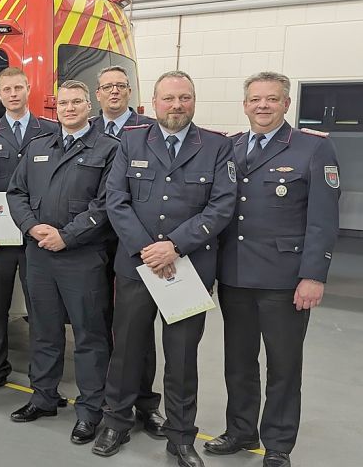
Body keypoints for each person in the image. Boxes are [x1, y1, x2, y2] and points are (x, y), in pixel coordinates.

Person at [93, 71, 236, 467]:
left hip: (188, 268)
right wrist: (147, 248)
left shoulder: (216, 146)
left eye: (185, 98)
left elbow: (222, 205)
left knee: (182, 357)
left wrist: (174, 246)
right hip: (138, 266)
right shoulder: (132, 139)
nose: (177, 106)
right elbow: (115, 199)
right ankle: (116, 422)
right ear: (153, 103)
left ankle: (180, 436)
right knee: (127, 351)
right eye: (169, 98)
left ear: (194, 101)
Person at [206, 72, 340, 467]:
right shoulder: (229, 147)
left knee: (283, 365)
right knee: (239, 361)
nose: (262, 106)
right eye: (255, 99)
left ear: (286, 104)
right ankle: (240, 430)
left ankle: (278, 444)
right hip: (234, 274)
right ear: (245, 104)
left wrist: (313, 275)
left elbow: (323, 220)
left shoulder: (312, 149)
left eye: (271, 99)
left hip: (285, 279)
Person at [5, 80, 118, 445]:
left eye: (77, 102)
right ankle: (43, 397)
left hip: (82, 257)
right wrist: (31, 226)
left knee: (89, 335)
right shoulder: (39, 146)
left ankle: (89, 411)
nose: (69, 108)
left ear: (90, 106)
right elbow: (16, 192)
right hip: (39, 255)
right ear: (57, 109)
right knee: (44, 329)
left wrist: (66, 235)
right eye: (64, 103)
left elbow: (106, 205)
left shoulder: (108, 149)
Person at [0, 66, 58, 397]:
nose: (13, 94)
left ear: (28, 88)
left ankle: (43, 380)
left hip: (37, 238)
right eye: (6, 89)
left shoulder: (50, 130)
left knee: (41, 313)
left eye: (18, 87)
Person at [89, 65, 166, 437]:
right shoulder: (85, 129)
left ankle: (145, 403)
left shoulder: (150, 130)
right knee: (101, 324)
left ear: (131, 93)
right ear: (98, 94)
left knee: (140, 331)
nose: (114, 92)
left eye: (121, 86)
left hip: (136, 248)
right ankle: (105, 397)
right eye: (107, 87)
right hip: (92, 245)